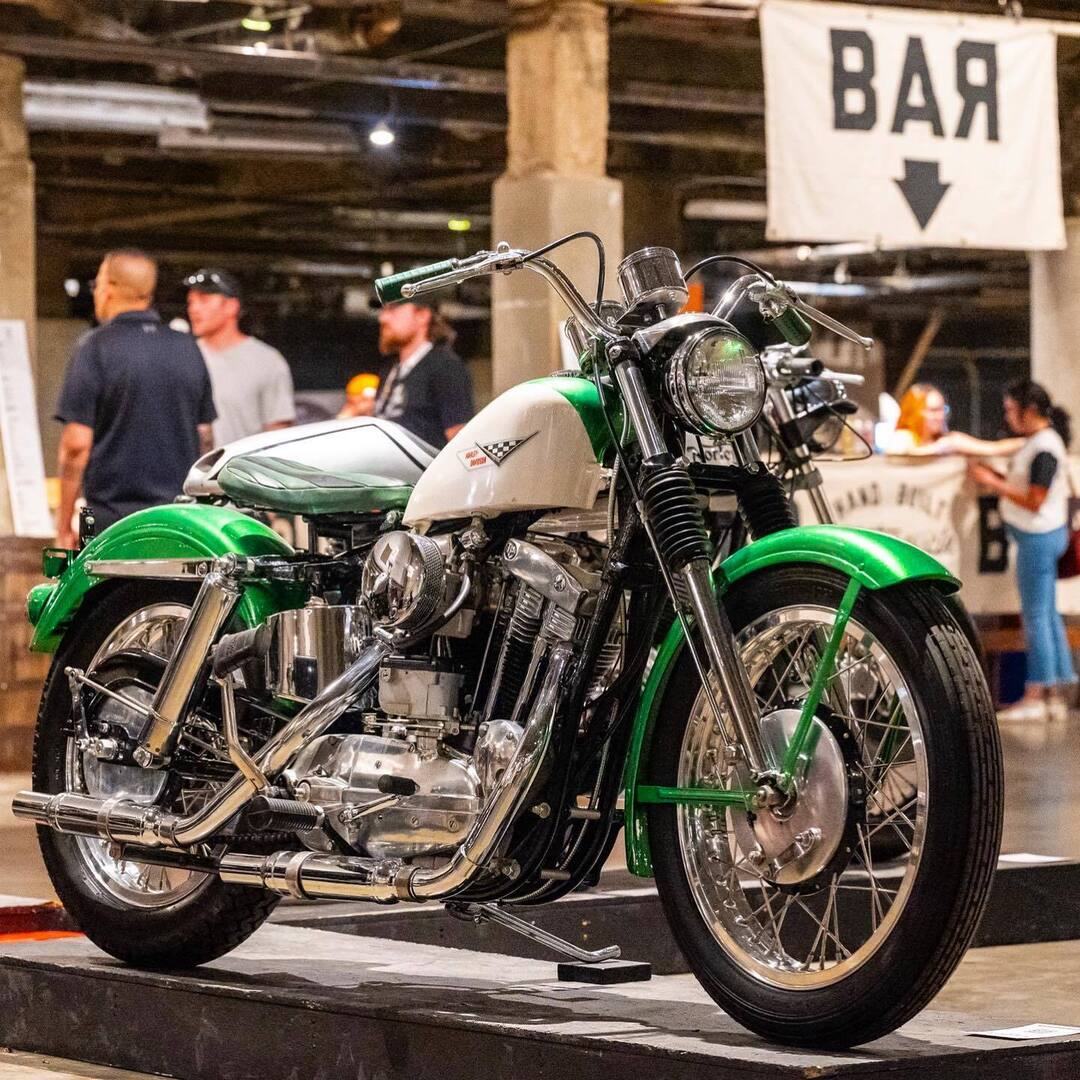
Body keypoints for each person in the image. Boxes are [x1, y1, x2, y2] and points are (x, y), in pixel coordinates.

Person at [54, 249, 216, 546]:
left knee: (106, 593)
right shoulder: (187, 348)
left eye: (98, 283)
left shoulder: (94, 348)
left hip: (108, 521)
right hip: (178, 519)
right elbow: (205, 436)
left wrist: (63, 524)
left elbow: (76, 446)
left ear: (110, 288)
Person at [968, 380, 1077, 722]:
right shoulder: (1043, 443)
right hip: (1045, 534)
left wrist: (993, 482)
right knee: (1046, 614)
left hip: (1037, 536)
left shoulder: (1044, 446)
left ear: (1028, 411)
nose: (1008, 417)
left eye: (1011, 410)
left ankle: (1037, 691)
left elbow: (1034, 499)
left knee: (1036, 616)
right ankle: (1057, 689)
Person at [185, 268, 295, 446]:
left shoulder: (267, 361)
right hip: (190, 473)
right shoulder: (183, 356)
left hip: (241, 472)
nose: (194, 309)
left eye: (204, 300)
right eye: (190, 302)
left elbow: (278, 430)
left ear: (231, 306)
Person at [374, 301, 473, 447]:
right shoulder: (390, 370)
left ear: (422, 315)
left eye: (393, 309)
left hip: (427, 468)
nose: (383, 318)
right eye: (384, 310)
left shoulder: (445, 366)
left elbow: (460, 439)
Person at [886, 382, 1025, 458]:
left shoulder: (950, 440)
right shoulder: (902, 438)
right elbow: (896, 459)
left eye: (942, 410)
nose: (940, 416)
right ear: (914, 412)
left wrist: (1029, 441)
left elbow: (994, 449)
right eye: (933, 411)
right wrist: (936, 450)